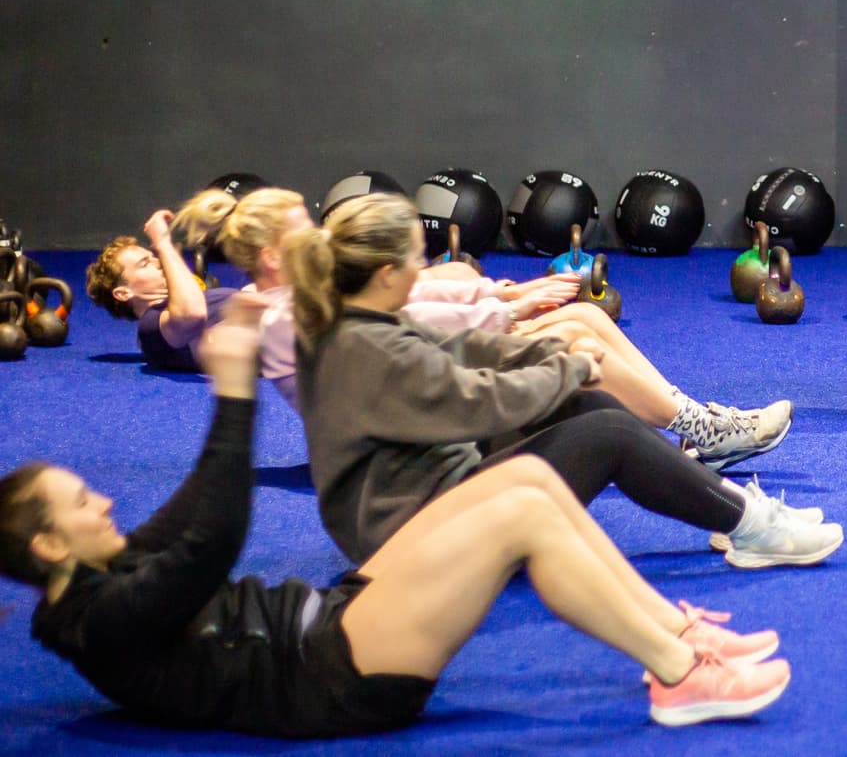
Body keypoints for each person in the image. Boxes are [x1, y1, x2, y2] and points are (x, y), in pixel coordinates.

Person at [0, 299, 792, 737]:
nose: (105, 501)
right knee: (523, 512)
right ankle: (680, 673)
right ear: (47, 543)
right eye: (82, 503)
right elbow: (211, 537)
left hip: (330, 616)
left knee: (528, 481)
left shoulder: (102, 570)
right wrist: (234, 395)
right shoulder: (103, 623)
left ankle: (676, 634)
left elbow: (192, 507)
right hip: (329, 673)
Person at [286, 194, 842, 569]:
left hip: (425, 499)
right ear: (386, 273)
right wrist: (567, 367)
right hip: (415, 539)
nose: (424, 265)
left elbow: (466, 348)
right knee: (610, 435)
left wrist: (553, 353)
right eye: (415, 257)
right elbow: (483, 402)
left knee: (588, 405)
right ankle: (752, 526)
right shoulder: (366, 348)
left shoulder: (363, 322)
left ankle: (730, 506)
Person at [172, 186, 788, 470]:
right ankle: (702, 431)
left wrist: (503, 293)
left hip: (419, 385)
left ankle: (699, 427)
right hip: (401, 433)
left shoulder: (308, 292)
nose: (317, 231)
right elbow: (416, 322)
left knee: (580, 315)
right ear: (272, 256)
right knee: (573, 339)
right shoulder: (286, 314)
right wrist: (507, 312)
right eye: (302, 227)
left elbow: (421, 292)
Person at [84, 210, 241, 372]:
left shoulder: (192, 300)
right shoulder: (151, 327)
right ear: (124, 293)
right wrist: (163, 243)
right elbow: (192, 315)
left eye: (154, 256)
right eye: (145, 264)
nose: (159, 262)